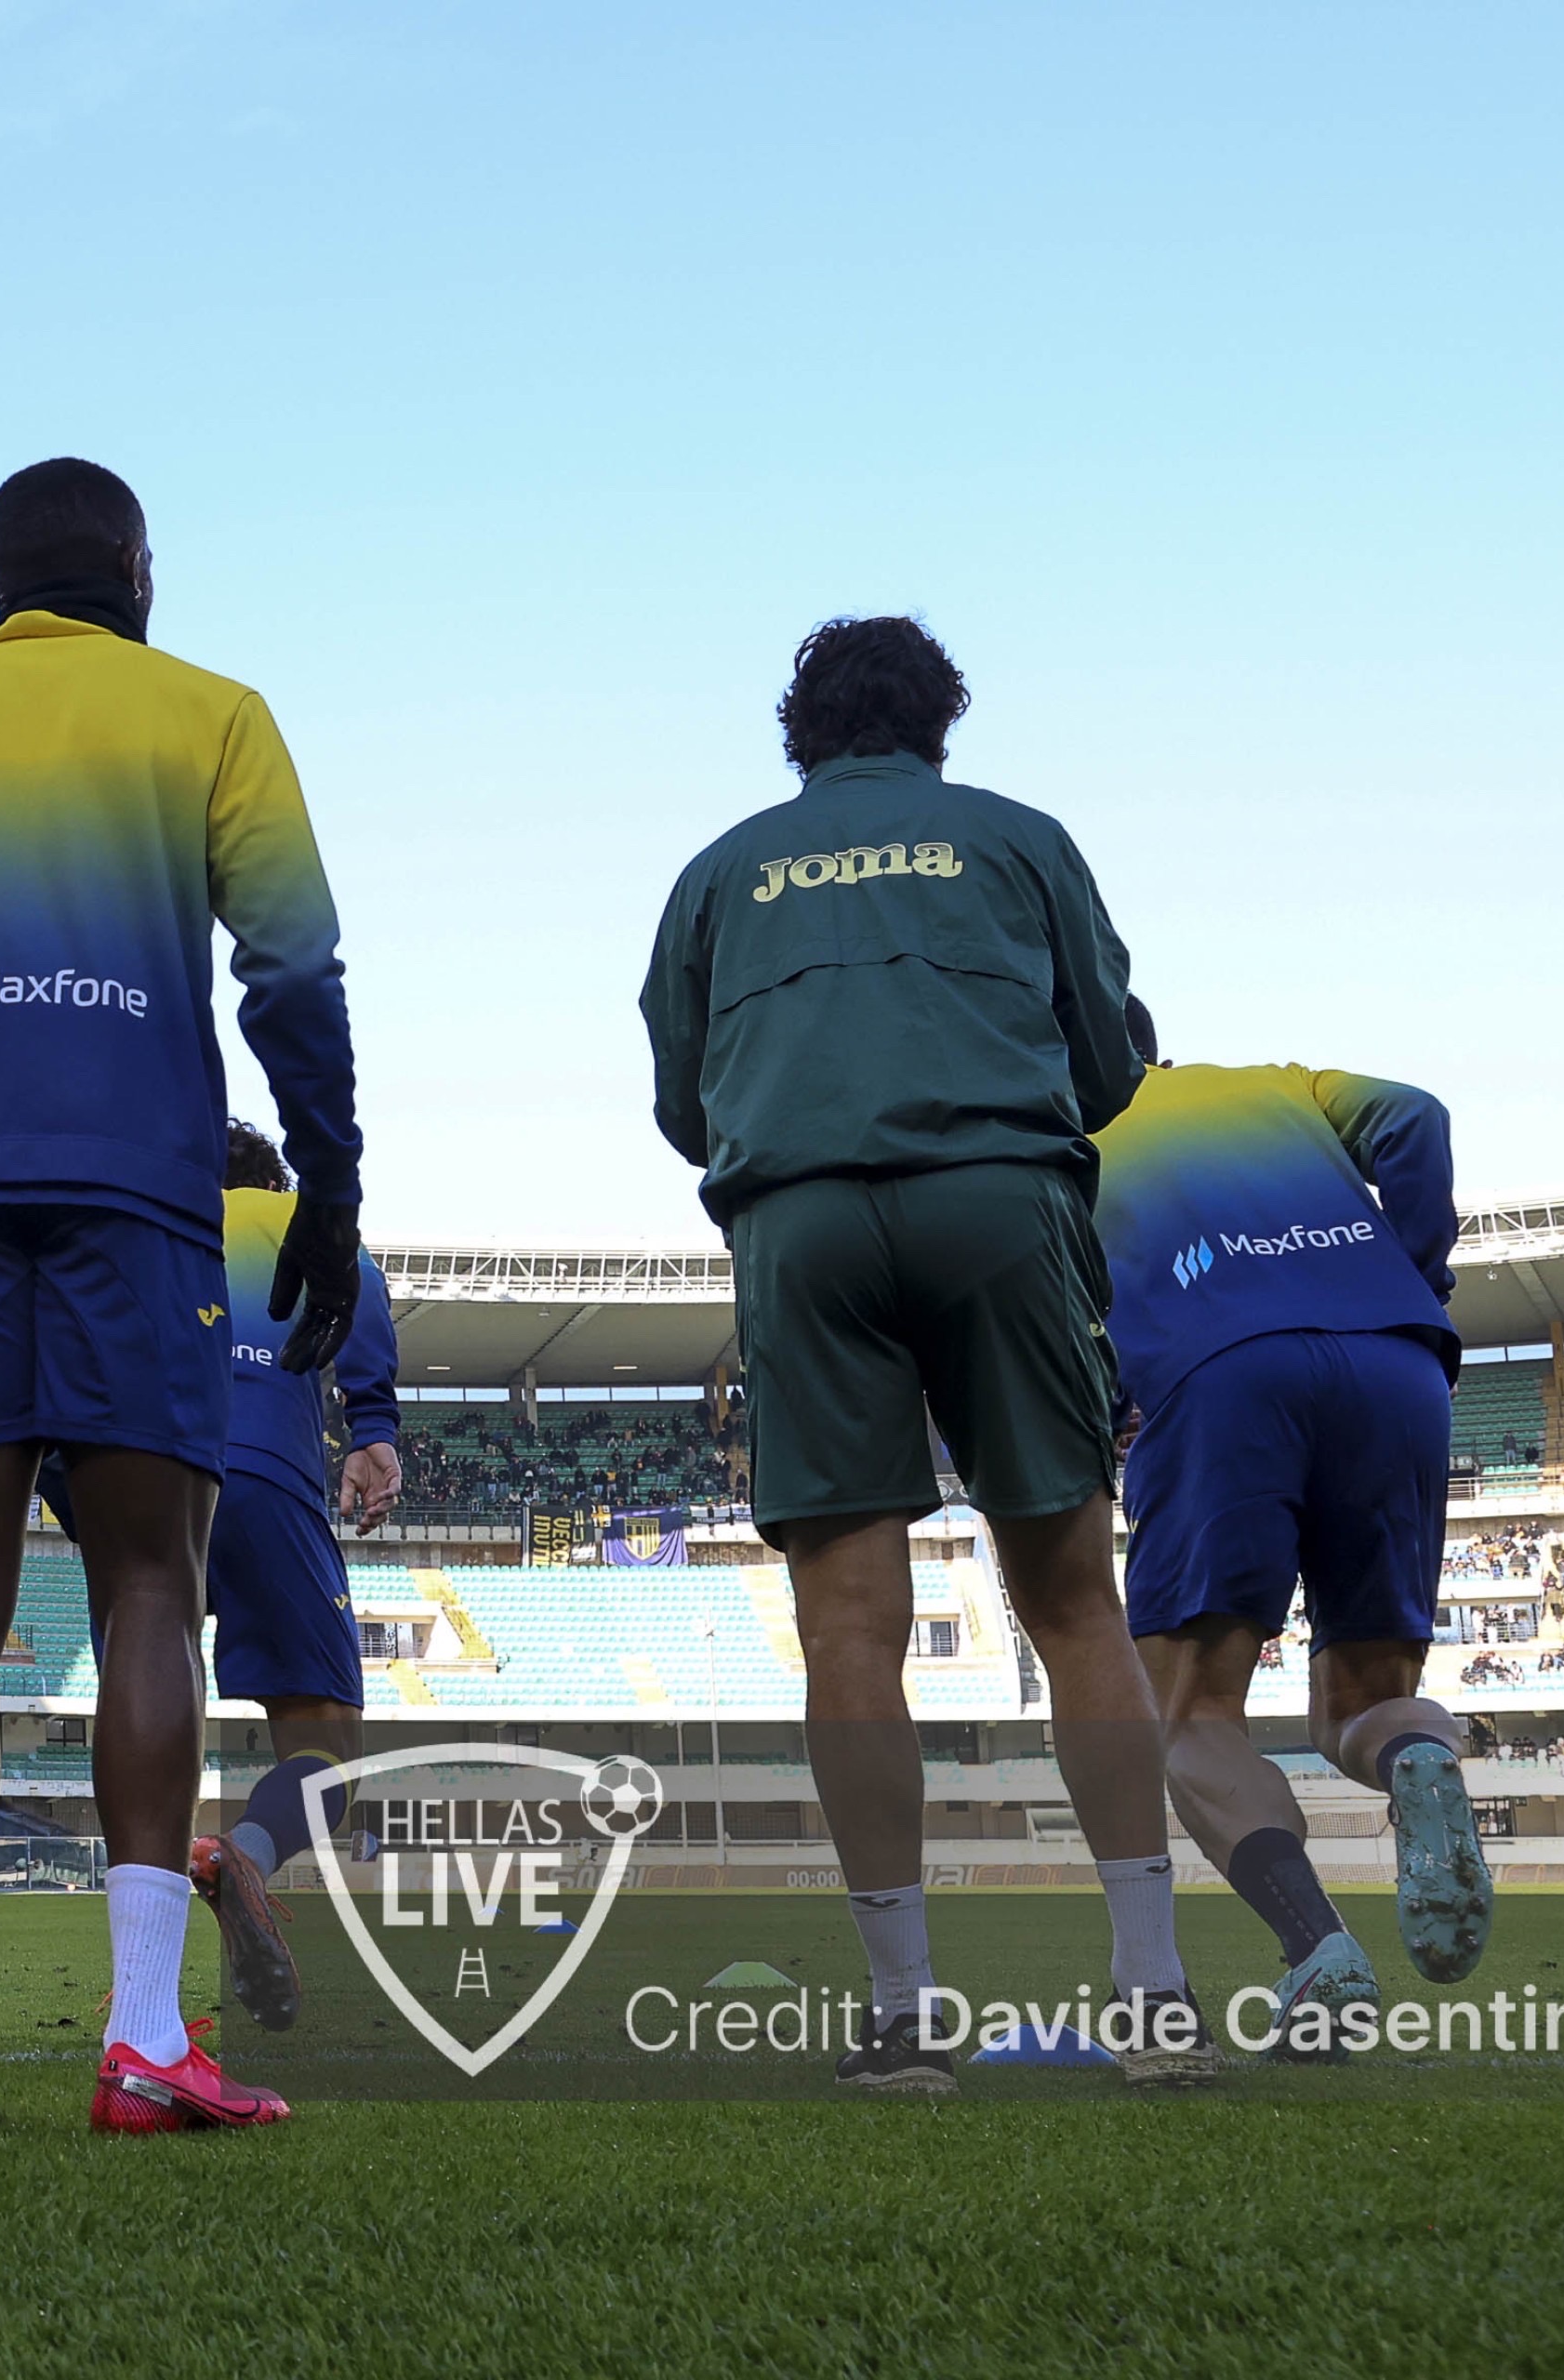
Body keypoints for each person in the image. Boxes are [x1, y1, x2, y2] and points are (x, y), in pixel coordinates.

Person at [0, 458, 362, 2135]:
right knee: (148, 1600)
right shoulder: (215, 714)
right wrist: (327, 1181)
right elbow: (294, 968)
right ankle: (137, 2039)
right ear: (139, 571)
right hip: (140, 1195)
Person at [640, 615, 1203, 2095]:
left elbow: (684, 1105)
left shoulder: (718, 871)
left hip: (801, 1224)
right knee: (1076, 1602)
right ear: (939, 725)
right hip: (1000, 1203)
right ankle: (1156, 1998)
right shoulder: (1019, 840)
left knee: (847, 1631)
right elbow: (1109, 1065)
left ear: (797, 730)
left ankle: (902, 2019)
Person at [1092, 998, 1490, 2040]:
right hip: (1399, 1365)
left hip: (1222, 1378)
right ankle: (1416, 1761)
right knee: (1363, 1703)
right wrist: (1414, 1271)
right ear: (1154, 1046)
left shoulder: (1060, 1144)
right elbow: (1416, 1115)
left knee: (1193, 1719)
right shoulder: (1273, 1083)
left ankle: (1321, 1950)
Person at [187, 1117, 398, 2026]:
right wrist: (374, 1427)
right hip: (268, 1478)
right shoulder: (290, 1221)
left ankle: (146, 1966)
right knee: (324, 1754)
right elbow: (363, 1290)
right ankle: (247, 1853)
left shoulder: (163, 1220)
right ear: (272, 1180)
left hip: (149, 1472)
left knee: (150, 1710)